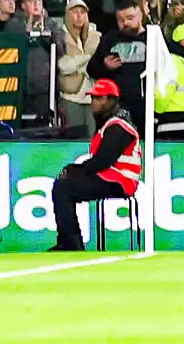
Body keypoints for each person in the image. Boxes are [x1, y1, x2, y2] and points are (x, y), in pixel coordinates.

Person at [48, 69, 142, 251]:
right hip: (112, 178)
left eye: (99, 99)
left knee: (64, 188)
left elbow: (103, 161)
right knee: (64, 186)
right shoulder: (111, 124)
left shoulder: (119, 126)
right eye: (93, 98)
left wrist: (74, 170)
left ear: (111, 101)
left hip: (119, 181)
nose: (93, 103)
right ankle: (69, 241)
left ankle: (71, 243)